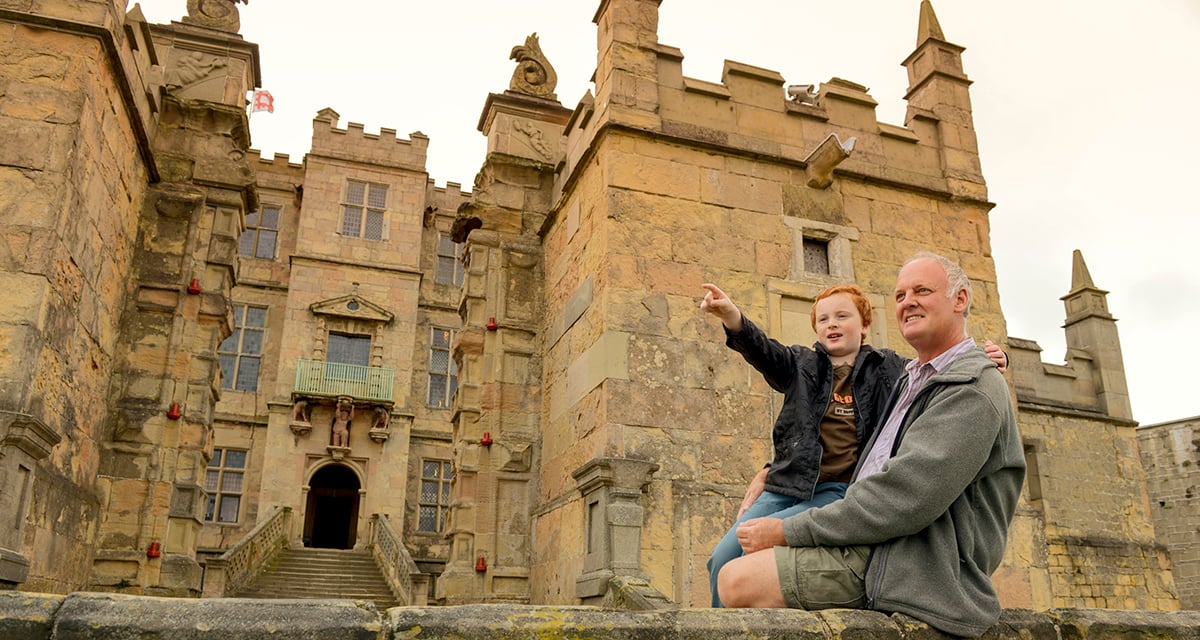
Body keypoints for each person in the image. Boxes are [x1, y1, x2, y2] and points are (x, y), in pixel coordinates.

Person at [716, 252, 1026, 638]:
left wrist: (786, 531)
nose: (908, 301)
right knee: (723, 561)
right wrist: (769, 469)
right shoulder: (907, 379)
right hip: (840, 517)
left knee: (737, 581)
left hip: (912, 563)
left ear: (960, 300)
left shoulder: (943, 382)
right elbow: (776, 371)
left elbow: (904, 497)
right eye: (900, 295)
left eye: (922, 290)